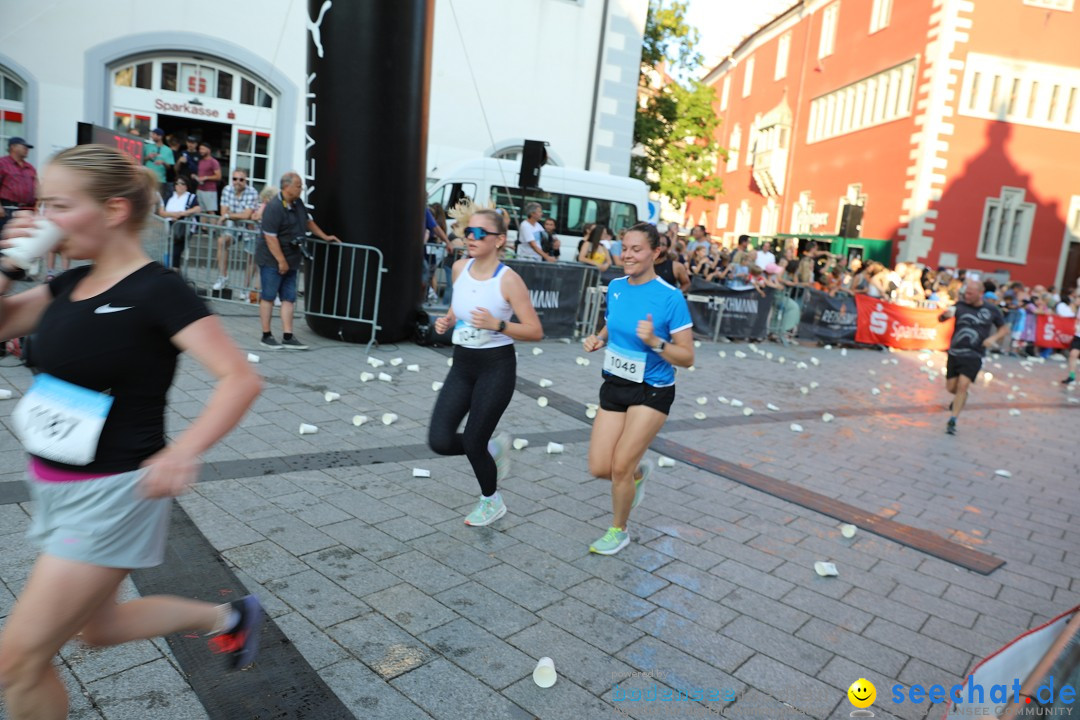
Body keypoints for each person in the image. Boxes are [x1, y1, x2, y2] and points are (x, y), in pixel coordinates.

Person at [0, 145, 265, 720]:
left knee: (17, 662)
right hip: (52, 484)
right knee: (98, 629)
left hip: (112, 493)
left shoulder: (157, 289)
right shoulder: (68, 283)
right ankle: (231, 617)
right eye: (40, 204)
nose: (43, 217)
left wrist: (184, 451)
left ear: (113, 210)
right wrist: (8, 264)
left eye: (58, 205)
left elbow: (239, 379)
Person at [581, 222, 693, 554]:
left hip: (653, 389)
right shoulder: (615, 286)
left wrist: (655, 342)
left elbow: (686, 357)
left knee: (619, 468)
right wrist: (599, 338)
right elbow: (612, 322)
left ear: (656, 253)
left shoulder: (670, 298)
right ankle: (636, 475)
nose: (626, 255)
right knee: (600, 467)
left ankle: (619, 529)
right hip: (615, 382)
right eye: (624, 248)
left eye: (636, 249)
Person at [429, 209, 543, 526]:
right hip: (462, 365)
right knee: (439, 440)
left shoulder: (509, 280)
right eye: (468, 232)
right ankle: (495, 448)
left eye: (480, 233)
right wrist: (448, 319)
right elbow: (459, 303)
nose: (471, 238)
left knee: (473, 441)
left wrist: (498, 324)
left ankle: (491, 501)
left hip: (496, 367)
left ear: (499, 240)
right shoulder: (459, 268)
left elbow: (535, 331)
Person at [257, 171, 339, 349]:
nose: (301, 189)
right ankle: (266, 335)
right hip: (272, 259)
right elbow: (270, 237)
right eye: (298, 185)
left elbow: (308, 221)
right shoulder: (274, 207)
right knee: (269, 296)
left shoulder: (298, 203)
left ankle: (288, 336)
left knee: (289, 298)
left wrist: (325, 236)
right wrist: (281, 261)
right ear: (286, 187)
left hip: (292, 258)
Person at [938, 279, 1009, 435]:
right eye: (966, 292)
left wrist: (993, 338)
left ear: (980, 294)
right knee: (952, 387)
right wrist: (945, 315)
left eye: (970, 293)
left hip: (975, 353)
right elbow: (941, 319)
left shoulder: (992, 310)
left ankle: (953, 420)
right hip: (955, 352)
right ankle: (961, 397)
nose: (967, 295)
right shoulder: (960, 306)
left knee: (963, 385)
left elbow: (1004, 329)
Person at [212, 169, 260, 292]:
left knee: (251, 257)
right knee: (222, 242)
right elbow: (223, 212)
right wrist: (235, 215)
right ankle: (223, 277)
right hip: (233, 225)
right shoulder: (227, 190)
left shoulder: (252, 192)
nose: (237, 182)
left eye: (241, 179)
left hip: (249, 227)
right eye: (234, 179)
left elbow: (247, 215)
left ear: (246, 180)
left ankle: (245, 288)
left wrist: (229, 215)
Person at [0, 137, 38, 240]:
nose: (27, 149)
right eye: (24, 147)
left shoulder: (30, 167)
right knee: (5, 242)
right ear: (13, 147)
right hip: (7, 210)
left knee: (21, 242)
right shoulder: (2, 163)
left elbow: (36, 188)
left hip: (26, 211)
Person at [161, 176, 201, 270]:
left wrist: (183, 213)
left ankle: (174, 274)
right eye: (177, 183)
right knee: (168, 251)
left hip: (182, 228)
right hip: (169, 226)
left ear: (186, 186)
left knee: (176, 253)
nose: (179, 186)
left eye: (182, 183)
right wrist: (173, 214)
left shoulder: (190, 197)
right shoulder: (170, 196)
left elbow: (198, 209)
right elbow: (161, 211)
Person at [143, 128, 175, 201]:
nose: (151, 136)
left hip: (160, 180)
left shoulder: (168, 150)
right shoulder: (147, 147)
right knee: (145, 199)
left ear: (160, 136)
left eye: (154, 134)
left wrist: (163, 162)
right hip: (147, 178)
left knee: (157, 201)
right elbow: (141, 160)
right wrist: (148, 157)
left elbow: (169, 167)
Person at [193, 142, 221, 214]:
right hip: (200, 189)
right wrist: (195, 177)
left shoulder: (213, 162)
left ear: (209, 150)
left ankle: (213, 225)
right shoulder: (201, 161)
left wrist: (206, 178)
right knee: (201, 211)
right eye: (200, 149)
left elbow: (218, 176)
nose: (201, 151)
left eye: (203, 149)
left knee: (211, 211)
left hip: (210, 190)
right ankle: (203, 226)